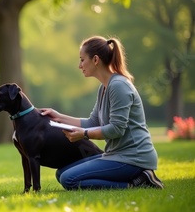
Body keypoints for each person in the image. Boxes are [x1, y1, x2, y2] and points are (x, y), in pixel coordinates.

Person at [40, 36, 164, 190]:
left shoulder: (119, 86)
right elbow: (93, 122)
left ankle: (138, 182)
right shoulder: (104, 87)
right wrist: (58, 117)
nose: (80, 65)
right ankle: (136, 180)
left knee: (69, 179)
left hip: (133, 159)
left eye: (82, 59)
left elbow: (117, 129)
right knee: (62, 173)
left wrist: (83, 134)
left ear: (96, 60)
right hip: (116, 155)